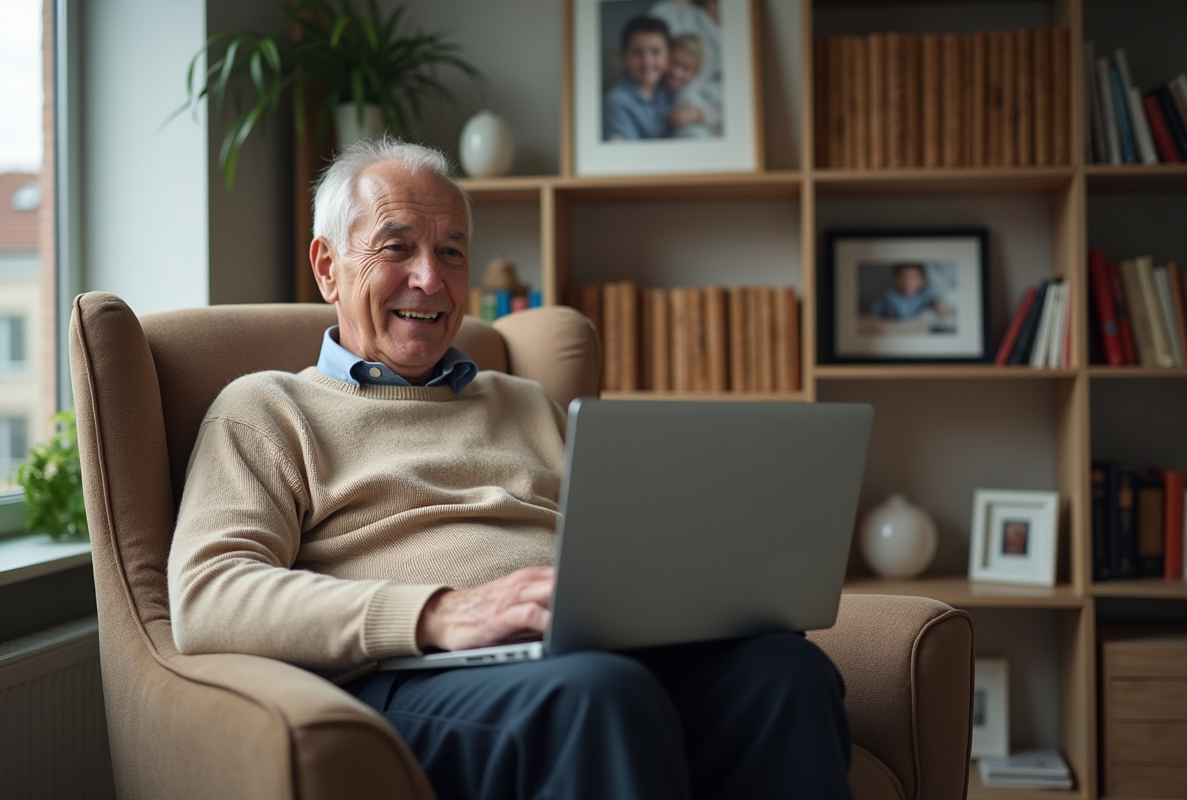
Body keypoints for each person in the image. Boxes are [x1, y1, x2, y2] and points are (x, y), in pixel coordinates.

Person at [168, 137, 853, 800]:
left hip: (578, 658)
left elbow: (617, 553)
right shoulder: (267, 409)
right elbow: (208, 595)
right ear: (327, 267)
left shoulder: (527, 402)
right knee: (596, 695)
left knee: (784, 672)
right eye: (397, 247)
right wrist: (439, 613)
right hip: (415, 676)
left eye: (451, 252)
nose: (429, 279)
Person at [603, 16, 673, 141]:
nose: (647, 61)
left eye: (656, 52)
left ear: (668, 56)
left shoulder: (674, 90)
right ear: (625, 57)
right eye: (637, 52)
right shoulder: (617, 101)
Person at [665, 32, 722, 137]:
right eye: (673, 63)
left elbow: (724, 117)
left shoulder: (699, 93)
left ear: (696, 72)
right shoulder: (658, 87)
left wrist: (697, 115)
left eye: (685, 68)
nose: (676, 72)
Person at [870, 261, 952, 321]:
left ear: (922, 281)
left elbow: (935, 299)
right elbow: (873, 313)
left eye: (913, 278)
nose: (907, 282)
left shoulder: (924, 294)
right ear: (895, 279)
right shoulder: (888, 296)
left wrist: (939, 304)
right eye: (903, 277)